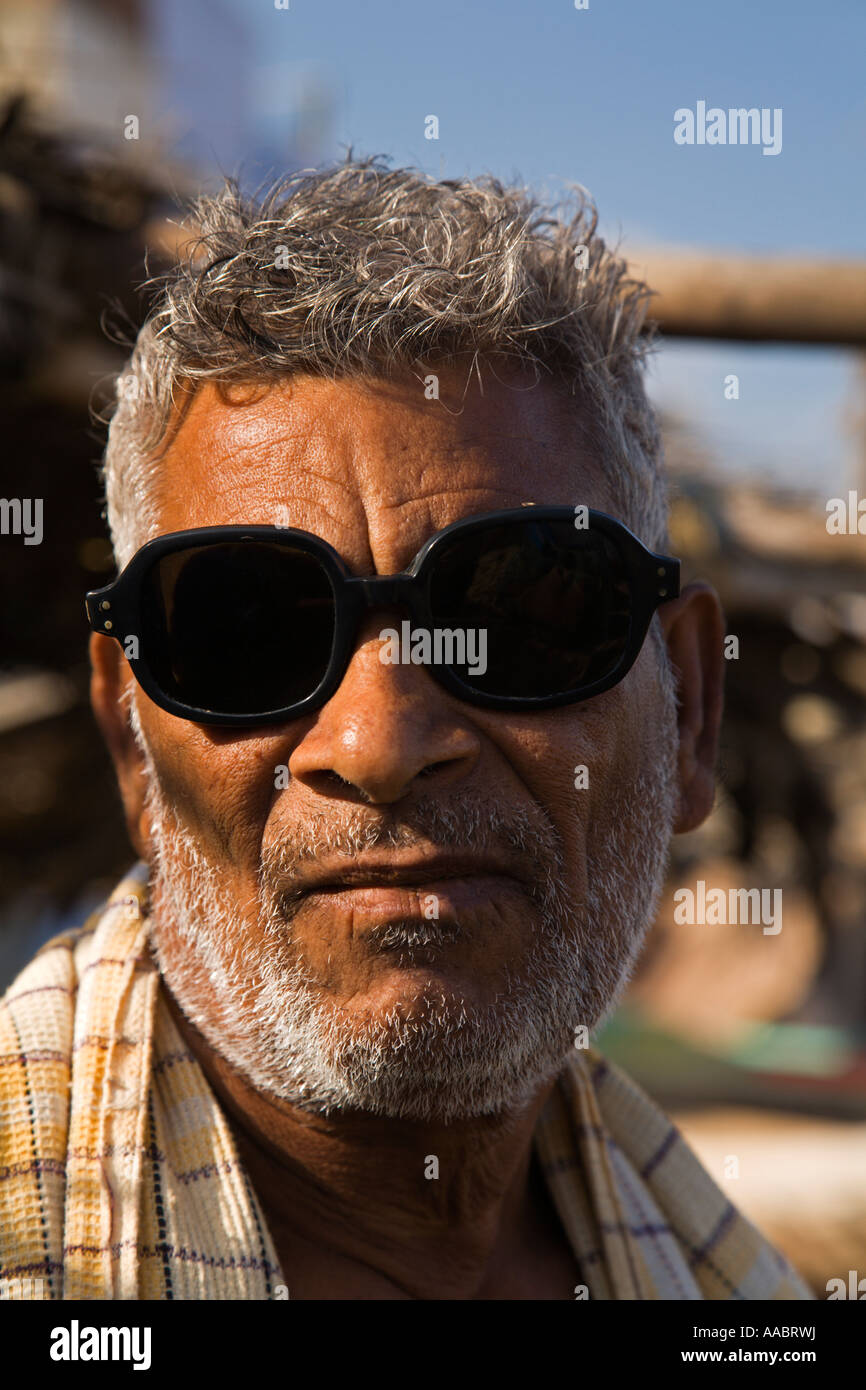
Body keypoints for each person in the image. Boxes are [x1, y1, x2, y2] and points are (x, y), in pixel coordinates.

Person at [0, 156, 811, 1300]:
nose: (377, 745)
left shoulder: (730, 1288)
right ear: (133, 741)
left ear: (688, 712)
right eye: (246, 632)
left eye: (519, 614)